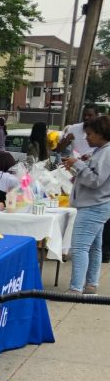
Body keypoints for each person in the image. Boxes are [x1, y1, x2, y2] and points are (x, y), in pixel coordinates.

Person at [62, 114, 110, 294]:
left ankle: (75, 288)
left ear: (101, 133)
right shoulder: (101, 151)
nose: (86, 137)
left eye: (89, 134)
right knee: (94, 247)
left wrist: (79, 165)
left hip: (93, 206)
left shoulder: (106, 152)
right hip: (97, 204)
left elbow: (95, 180)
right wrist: (81, 165)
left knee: (80, 247)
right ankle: (91, 284)